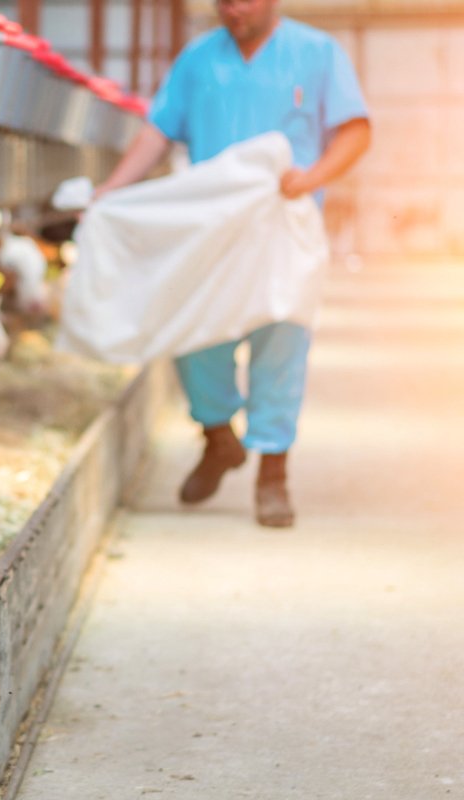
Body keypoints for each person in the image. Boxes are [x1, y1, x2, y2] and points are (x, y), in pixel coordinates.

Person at [93, 0, 371, 528]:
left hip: (285, 228)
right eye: (224, 1)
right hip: (213, 230)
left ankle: (273, 475)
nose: (234, 9)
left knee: (281, 340)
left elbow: (356, 130)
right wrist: (112, 189)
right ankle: (219, 436)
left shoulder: (317, 53)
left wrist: (312, 177)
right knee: (192, 330)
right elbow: (158, 131)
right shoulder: (199, 58)